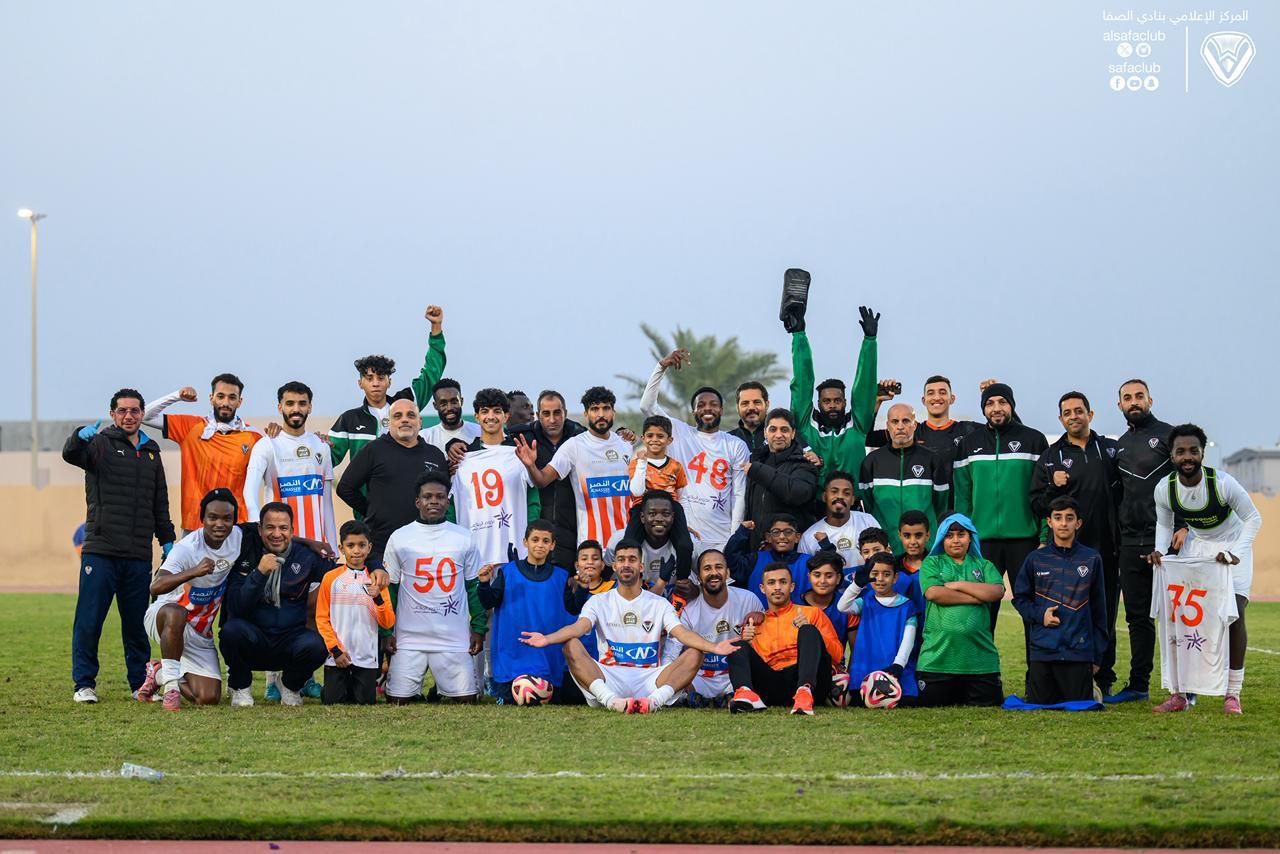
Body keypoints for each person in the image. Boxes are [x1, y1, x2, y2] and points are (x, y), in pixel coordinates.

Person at [519, 540, 739, 714]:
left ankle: (653, 702)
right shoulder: (599, 601)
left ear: (641, 566)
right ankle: (610, 700)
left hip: (650, 679)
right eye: (621, 560)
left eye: (632, 559)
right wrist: (547, 639)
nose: (626, 564)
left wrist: (714, 647)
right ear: (614, 566)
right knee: (570, 644)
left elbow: (680, 633)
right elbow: (579, 627)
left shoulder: (659, 603)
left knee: (695, 653)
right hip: (610, 677)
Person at [62, 388, 177, 703]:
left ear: (142, 414)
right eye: (122, 411)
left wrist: (168, 542)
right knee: (89, 621)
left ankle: (140, 683)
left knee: (136, 625)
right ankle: (84, 684)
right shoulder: (99, 445)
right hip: (101, 551)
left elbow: (160, 503)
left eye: (135, 410)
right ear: (112, 414)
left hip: (137, 555)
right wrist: (78, 437)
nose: (129, 416)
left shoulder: (151, 452)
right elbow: (71, 454)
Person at [1149, 424, 1262, 715]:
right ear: (1172, 456)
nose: (1187, 457)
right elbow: (1164, 524)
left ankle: (1232, 694)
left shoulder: (1223, 483)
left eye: (1193, 451)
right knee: (1183, 618)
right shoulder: (1165, 489)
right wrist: (1161, 551)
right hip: (1197, 547)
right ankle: (1180, 694)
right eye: (1181, 451)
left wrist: (1235, 553)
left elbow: (1253, 518)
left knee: (1234, 614)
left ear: (1202, 453)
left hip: (1232, 546)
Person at [1029, 392, 1122, 695]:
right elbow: (1037, 505)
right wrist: (1052, 486)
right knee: (1067, 613)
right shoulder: (1051, 457)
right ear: (1060, 419)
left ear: (1090, 415)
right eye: (1067, 413)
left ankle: (1104, 678)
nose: (1073, 416)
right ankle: (1064, 675)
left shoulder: (1109, 450)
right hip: (1066, 554)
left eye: (1079, 411)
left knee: (1104, 614)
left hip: (1106, 549)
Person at [218, 502, 335, 707]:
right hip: (254, 638)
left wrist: (375, 565)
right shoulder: (245, 553)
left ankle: (290, 686)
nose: (277, 534)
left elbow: (345, 570)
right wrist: (259, 573)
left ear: (292, 530)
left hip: (290, 640)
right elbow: (237, 607)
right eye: (270, 527)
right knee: (230, 631)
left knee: (318, 644)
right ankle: (240, 686)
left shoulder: (307, 557)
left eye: (283, 528)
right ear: (260, 529)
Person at [383, 472, 486, 703]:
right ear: (417, 501)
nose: (434, 501)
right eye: (427, 497)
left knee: (467, 701)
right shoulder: (399, 537)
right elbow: (390, 590)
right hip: (409, 638)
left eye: (440, 497)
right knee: (398, 701)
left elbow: (473, 587)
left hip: (453, 637)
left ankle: (440, 689)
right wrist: (387, 632)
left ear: (448, 502)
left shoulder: (464, 537)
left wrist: (478, 628)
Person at [137, 489, 243, 711]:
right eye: (212, 517)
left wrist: (312, 544)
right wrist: (193, 571)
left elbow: (269, 533)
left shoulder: (239, 537)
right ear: (202, 518)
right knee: (177, 612)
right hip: (166, 618)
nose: (219, 524)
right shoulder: (186, 548)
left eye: (227, 518)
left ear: (234, 520)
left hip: (199, 630)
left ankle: (158, 672)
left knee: (207, 697)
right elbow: (156, 586)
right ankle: (171, 688)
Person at [638, 349, 750, 553]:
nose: (707, 408)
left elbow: (739, 494)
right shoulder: (679, 432)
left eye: (713, 404)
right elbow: (647, 406)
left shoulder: (735, 445)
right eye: (701, 405)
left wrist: (734, 538)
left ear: (722, 410)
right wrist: (661, 367)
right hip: (684, 533)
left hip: (722, 537)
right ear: (694, 411)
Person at [952, 382, 1046, 625]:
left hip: (1025, 540)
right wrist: (964, 537)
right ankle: (984, 654)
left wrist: (1045, 537)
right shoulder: (968, 443)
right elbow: (962, 496)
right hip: (982, 542)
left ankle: (1035, 654)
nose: (996, 408)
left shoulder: (1034, 439)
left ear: (1012, 406)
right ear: (983, 409)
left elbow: (1044, 494)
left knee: (1033, 610)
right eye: (990, 403)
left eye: (1002, 402)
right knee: (982, 613)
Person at [1105, 379, 1175, 705]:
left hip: (1168, 541)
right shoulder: (1119, 445)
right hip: (1131, 543)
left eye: (1139, 396)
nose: (1134, 402)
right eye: (1127, 397)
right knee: (1137, 618)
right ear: (1119, 404)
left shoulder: (1170, 436)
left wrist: (1183, 527)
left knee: (1177, 616)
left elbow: (1187, 483)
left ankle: (1185, 686)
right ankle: (1138, 685)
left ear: (1150, 400)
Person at [1012, 497, 1108, 704]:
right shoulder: (1035, 559)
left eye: (1069, 518)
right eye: (1058, 517)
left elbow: (1100, 610)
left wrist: (1097, 656)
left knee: (1079, 704)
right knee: (1040, 704)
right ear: (1049, 522)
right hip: (1043, 651)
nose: (1063, 523)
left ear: (1078, 523)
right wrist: (1040, 615)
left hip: (1078, 652)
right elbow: (1020, 598)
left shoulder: (1092, 558)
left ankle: (1091, 686)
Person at [329, 305, 449, 469]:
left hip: (405, 483)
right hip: (368, 487)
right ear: (360, 383)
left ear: (389, 382)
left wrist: (436, 327)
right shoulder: (350, 419)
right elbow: (326, 459)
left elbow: (432, 373)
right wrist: (317, 444)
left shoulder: (407, 403)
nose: (375, 383)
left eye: (381, 378)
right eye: (369, 378)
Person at [142, 374, 262, 533]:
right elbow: (145, 416)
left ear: (240, 401)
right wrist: (176, 396)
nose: (226, 403)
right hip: (195, 526)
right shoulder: (190, 427)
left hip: (235, 527)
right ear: (211, 398)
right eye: (220, 396)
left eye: (232, 397)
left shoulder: (253, 436)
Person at [515, 386, 633, 548]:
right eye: (595, 409)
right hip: (591, 546)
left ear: (613, 412)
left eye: (606, 408)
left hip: (626, 542)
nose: (601, 414)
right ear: (586, 414)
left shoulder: (626, 445)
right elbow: (542, 480)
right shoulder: (574, 446)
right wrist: (530, 466)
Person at [786, 293, 882, 487]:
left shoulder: (858, 425)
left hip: (851, 501)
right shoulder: (805, 424)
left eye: (837, 401)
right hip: (813, 502)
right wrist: (799, 334)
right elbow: (802, 382)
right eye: (826, 401)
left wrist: (870, 341)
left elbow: (864, 385)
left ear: (845, 402)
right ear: (818, 403)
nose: (832, 405)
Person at [336, 398, 448, 559]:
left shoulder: (435, 455)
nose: (405, 420)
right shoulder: (373, 450)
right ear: (389, 423)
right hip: (382, 546)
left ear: (420, 422)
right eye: (397, 416)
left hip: (427, 546)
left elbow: (444, 496)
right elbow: (345, 488)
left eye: (411, 415)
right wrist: (371, 510)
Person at [726, 563, 844, 715]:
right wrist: (747, 642)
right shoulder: (755, 624)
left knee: (808, 630)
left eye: (783, 582)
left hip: (811, 681)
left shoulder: (812, 613)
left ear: (792, 586)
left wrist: (814, 632)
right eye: (771, 583)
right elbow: (755, 665)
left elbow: (837, 656)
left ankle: (804, 691)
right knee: (737, 645)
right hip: (773, 685)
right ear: (762, 588)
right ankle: (745, 694)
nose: (777, 588)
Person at [479, 521, 576, 704]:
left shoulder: (561, 576)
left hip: (548, 659)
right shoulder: (508, 572)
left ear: (552, 545)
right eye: (535, 539)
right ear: (525, 542)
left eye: (545, 541)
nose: (540, 545)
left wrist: (583, 589)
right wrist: (484, 584)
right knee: (511, 702)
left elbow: (573, 609)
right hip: (512, 659)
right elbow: (488, 601)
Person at [915, 514, 1005, 707]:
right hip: (937, 662)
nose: (955, 540)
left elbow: (997, 591)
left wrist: (958, 584)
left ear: (971, 537)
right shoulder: (932, 563)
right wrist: (976, 597)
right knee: (931, 705)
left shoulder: (984, 565)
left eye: (961, 534)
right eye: (949, 535)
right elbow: (934, 593)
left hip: (981, 663)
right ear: (941, 539)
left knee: (990, 705)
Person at [244, 381, 338, 551]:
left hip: (316, 547)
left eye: (302, 403)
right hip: (279, 544)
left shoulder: (321, 446)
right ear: (280, 407)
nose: (296, 409)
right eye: (290, 403)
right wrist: (258, 533)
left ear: (310, 407)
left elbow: (326, 503)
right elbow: (249, 492)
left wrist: (333, 546)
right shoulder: (266, 445)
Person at [660, 549, 761, 707]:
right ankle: (696, 696)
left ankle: (732, 694)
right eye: (707, 568)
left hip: (735, 676)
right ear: (699, 577)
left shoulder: (748, 599)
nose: (714, 573)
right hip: (699, 678)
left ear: (727, 573)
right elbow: (670, 655)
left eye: (719, 567)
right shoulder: (688, 610)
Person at [451, 388, 540, 567]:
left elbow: (533, 503)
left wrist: (529, 540)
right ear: (476, 416)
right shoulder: (462, 459)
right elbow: (452, 508)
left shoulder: (519, 454)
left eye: (497, 411)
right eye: (485, 411)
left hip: (514, 557)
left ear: (506, 416)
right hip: (475, 560)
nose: (491, 417)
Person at [315, 520, 395, 705]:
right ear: (341, 548)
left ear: (369, 547)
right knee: (333, 701)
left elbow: (388, 622)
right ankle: (330, 688)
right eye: (351, 546)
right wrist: (335, 650)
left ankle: (361, 685)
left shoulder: (376, 579)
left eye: (362, 545)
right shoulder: (330, 579)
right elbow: (322, 618)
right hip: (338, 656)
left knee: (365, 702)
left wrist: (378, 598)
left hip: (366, 656)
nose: (357, 551)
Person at [507, 390, 588, 571]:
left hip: (573, 532)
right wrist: (455, 445)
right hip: (535, 534)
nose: (552, 420)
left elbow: (604, 441)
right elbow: (489, 443)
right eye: (546, 414)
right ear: (538, 415)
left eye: (557, 413)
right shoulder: (522, 438)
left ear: (565, 413)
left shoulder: (580, 437)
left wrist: (622, 432)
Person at [858, 403, 949, 552]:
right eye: (895, 421)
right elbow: (868, 505)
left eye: (906, 421)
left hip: (924, 548)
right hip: (886, 548)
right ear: (888, 426)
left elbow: (940, 504)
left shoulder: (932, 460)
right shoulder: (871, 461)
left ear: (915, 425)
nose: (900, 426)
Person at [867, 376, 990, 484]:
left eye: (942, 392)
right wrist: (877, 401)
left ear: (952, 399)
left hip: (958, 503)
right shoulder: (910, 431)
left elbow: (998, 434)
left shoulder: (968, 430)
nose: (936, 397)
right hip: (922, 501)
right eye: (931, 393)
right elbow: (868, 438)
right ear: (923, 400)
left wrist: (991, 395)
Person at [621, 416, 696, 587]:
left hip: (671, 510)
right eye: (650, 435)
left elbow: (682, 496)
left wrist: (685, 523)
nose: (655, 440)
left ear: (669, 440)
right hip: (642, 508)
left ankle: (682, 583)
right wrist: (642, 463)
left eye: (660, 436)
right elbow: (637, 491)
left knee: (685, 545)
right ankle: (634, 583)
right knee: (629, 545)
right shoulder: (636, 464)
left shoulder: (676, 466)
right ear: (643, 438)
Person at [837, 552, 921, 702]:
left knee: (907, 701)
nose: (880, 579)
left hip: (896, 668)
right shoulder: (865, 601)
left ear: (895, 577)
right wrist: (856, 585)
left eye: (886, 574)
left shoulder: (907, 606)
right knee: (859, 701)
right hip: (866, 669)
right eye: (875, 574)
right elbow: (842, 607)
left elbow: (908, 640)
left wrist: (898, 665)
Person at [743, 408, 820, 549]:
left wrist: (759, 471)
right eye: (773, 430)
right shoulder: (756, 461)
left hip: (791, 552)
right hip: (758, 550)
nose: (778, 435)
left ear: (793, 433)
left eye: (784, 430)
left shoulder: (805, 463)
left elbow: (798, 493)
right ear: (765, 433)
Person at [607, 492, 698, 596]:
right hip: (632, 603)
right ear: (642, 517)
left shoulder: (689, 542)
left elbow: (707, 582)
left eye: (666, 514)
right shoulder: (619, 540)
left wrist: (694, 590)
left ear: (673, 517)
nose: (659, 519)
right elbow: (602, 578)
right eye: (652, 513)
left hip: (675, 604)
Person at [726, 513, 813, 606]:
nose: (782, 536)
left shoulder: (808, 563)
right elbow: (732, 563)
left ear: (797, 537)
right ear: (768, 537)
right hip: (760, 614)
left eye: (788, 532)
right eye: (776, 532)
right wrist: (742, 532)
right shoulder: (755, 559)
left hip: (800, 614)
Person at [799, 471, 878, 570]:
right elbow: (805, 574)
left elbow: (884, 559)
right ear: (824, 497)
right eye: (834, 491)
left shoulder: (868, 521)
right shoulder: (809, 537)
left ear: (852, 500)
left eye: (846, 493)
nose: (840, 496)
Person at [801, 551, 856, 656]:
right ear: (809, 577)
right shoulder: (796, 603)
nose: (822, 581)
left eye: (829, 576)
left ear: (838, 578)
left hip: (835, 664)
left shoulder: (848, 606)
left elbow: (855, 652)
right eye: (817, 575)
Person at [421, 378, 482, 453]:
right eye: (443, 404)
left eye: (454, 402)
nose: (449, 408)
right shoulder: (425, 438)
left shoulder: (480, 432)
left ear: (461, 401)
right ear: (435, 405)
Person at [729, 381, 770, 452]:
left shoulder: (779, 437)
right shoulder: (728, 440)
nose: (751, 407)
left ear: (767, 405)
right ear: (737, 408)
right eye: (745, 403)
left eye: (757, 402)